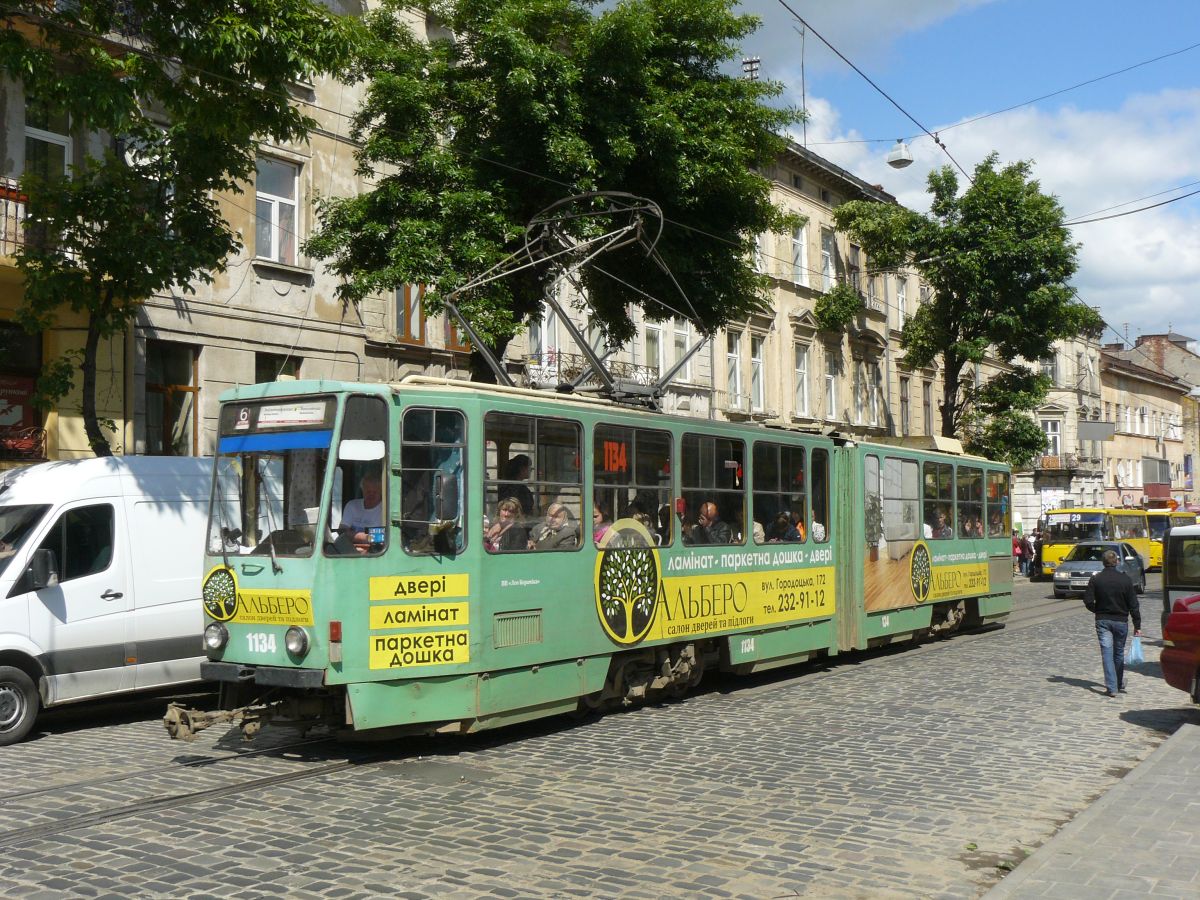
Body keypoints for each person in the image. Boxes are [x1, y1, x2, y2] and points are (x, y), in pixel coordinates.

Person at [1083, 549, 1142, 697]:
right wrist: (1137, 624)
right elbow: (1133, 604)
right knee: (1118, 653)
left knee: (1107, 653)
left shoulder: (1096, 579)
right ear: (1116, 562)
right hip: (1121, 620)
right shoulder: (1125, 579)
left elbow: (1088, 600)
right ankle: (1119, 682)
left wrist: (1097, 610)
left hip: (1103, 620)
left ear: (1103, 562)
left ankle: (1112, 687)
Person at [339, 469, 384, 553]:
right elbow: (342, 531)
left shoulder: (385, 510)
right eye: (368, 491)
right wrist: (366, 537)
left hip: (376, 553)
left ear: (381, 491)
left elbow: (384, 536)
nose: (371, 494)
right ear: (362, 490)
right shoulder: (352, 505)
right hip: (349, 550)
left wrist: (353, 535)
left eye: (374, 492)